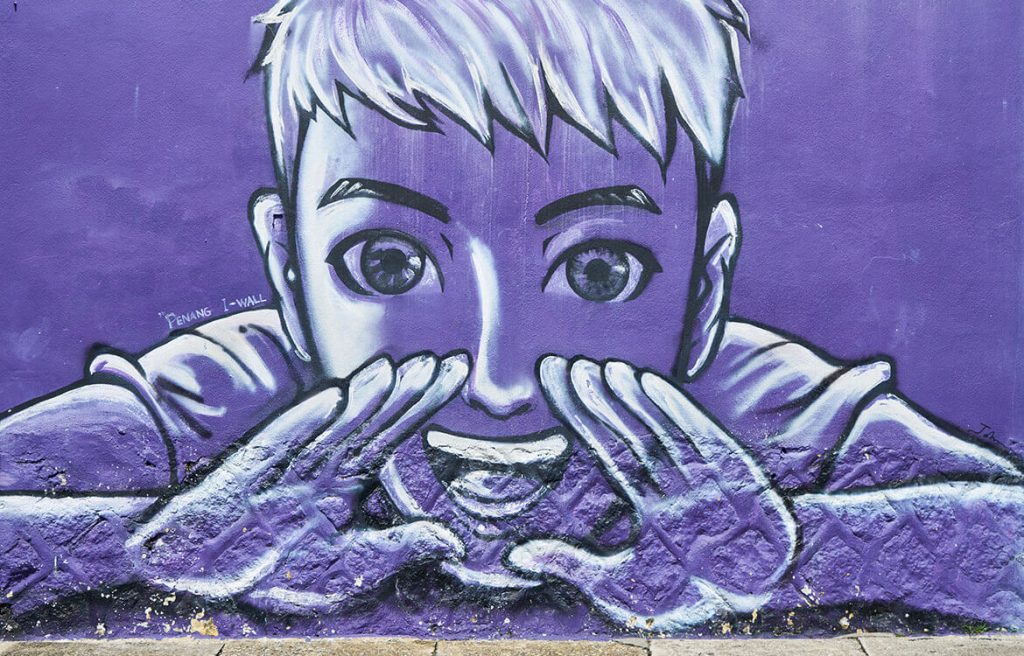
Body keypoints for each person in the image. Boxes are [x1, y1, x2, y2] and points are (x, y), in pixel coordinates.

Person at [1, 0, 1022, 637]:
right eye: (389, 263)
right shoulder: (243, 396)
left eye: (601, 268)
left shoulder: (738, 408)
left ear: (705, 287)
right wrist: (148, 554)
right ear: (288, 273)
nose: (498, 378)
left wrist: (802, 555)